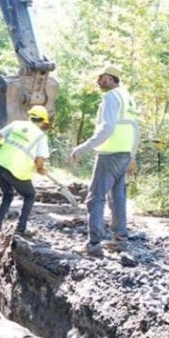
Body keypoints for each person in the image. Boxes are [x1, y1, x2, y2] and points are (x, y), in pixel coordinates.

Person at [70, 64, 140, 257]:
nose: (98, 81)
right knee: (117, 198)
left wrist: (82, 148)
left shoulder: (110, 97)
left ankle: (93, 244)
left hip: (109, 154)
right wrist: (132, 156)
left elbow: (107, 128)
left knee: (95, 198)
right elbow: (136, 129)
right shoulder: (128, 98)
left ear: (110, 79)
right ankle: (120, 239)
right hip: (124, 154)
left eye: (101, 78)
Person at [0, 105, 51, 239]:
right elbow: (39, 161)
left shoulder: (16, 124)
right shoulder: (40, 136)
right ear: (42, 121)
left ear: (30, 116)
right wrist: (41, 169)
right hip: (16, 171)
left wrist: (2, 140)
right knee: (30, 195)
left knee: (7, 195)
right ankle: (21, 228)